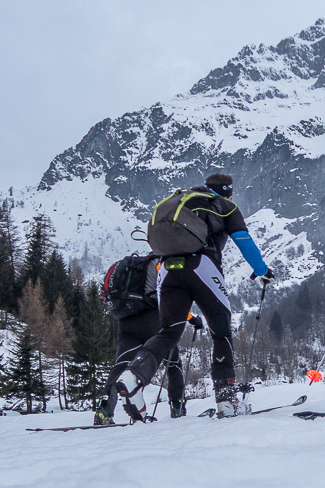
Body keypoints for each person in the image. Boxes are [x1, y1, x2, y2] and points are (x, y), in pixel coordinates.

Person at [115, 173, 275, 419]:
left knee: (168, 333)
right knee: (221, 330)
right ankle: (226, 400)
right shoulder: (225, 206)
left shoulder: (183, 204)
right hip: (201, 267)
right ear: (227, 191)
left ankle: (134, 375)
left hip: (168, 270)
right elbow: (244, 240)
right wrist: (262, 271)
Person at [94, 256, 205, 425]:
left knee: (121, 366)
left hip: (125, 323)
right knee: (173, 363)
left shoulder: (131, 270)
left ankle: (103, 411)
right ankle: (178, 409)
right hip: (153, 320)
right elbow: (169, 298)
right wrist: (190, 318)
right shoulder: (160, 265)